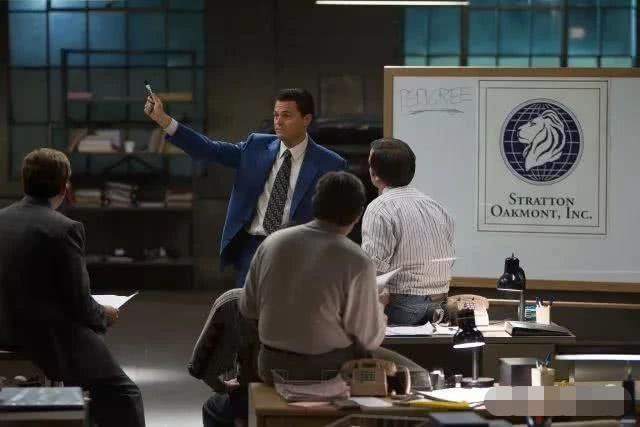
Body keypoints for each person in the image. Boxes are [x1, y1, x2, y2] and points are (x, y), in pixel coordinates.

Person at [0, 148, 145, 427]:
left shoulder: (2, 219)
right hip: (48, 340)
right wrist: (104, 314)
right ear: (64, 187)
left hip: (4, 329)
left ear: (25, 181)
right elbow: (80, 302)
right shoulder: (65, 228)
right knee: (125, 394)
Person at [144, 89, 346, 288]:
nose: (278, 121)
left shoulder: (330, 163)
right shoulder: (256, 146)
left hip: (299, 254)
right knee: (247, 308)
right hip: (252, 250)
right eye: (275, 115)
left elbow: (336, 220)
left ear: (306, 119)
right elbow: (210, 150)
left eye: (286, 115)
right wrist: (163, 120)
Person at [239, 171, 387, 384]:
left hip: (270, 366)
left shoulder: (272, 243)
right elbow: (369, 339)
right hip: (329, 369)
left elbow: (247, 308)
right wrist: (379, 306)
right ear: (359, 213)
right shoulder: (357, 260)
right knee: (411, 372)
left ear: (314, 203)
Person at [362, 138, 455, 326]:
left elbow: (373, 268)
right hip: (442, 305)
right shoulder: (436, 206)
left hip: (402, 307)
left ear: (375, 175)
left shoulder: (379, 208)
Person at [188, 289, 259, 427]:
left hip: (260, 394)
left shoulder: (234, 302)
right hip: (305, 398)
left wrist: (222, 387)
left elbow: (199, 367)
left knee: (211, 408)